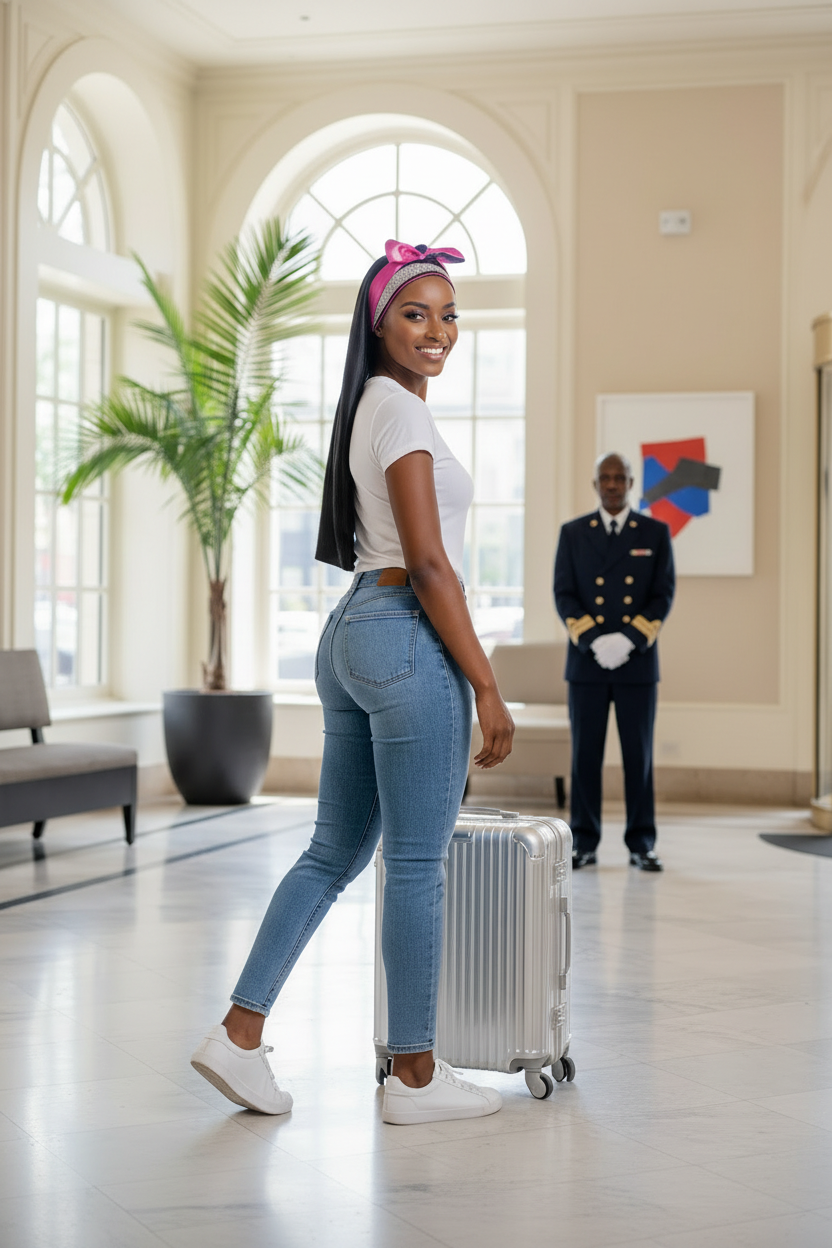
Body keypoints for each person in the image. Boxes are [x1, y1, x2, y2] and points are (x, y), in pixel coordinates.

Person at [190, 239, 514, 1125]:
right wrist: (487, 685)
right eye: (416, 313)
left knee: (333, 852)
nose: (438, 330)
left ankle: (239, 1034)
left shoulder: (373, 402)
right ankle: (415, 1077)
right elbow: (431, 565)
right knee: (414, 864)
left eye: (449, 315)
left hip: (354, 630)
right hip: (405, 631)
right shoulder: (400, 412)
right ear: (378, 325)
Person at [553, 452, 675, 872]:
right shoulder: (573, 533)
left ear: (631, 483)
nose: (611, 484)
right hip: (586, 664)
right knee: (584, 757)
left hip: (636, 664)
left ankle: (642, 843)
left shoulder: (655, 533)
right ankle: (583, 842)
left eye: (619, 477)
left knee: (638, 757)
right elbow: (564, 593)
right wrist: (594, 640)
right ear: (595, 484)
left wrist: (628, 639)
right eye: (605, 477)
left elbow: (662, 594)